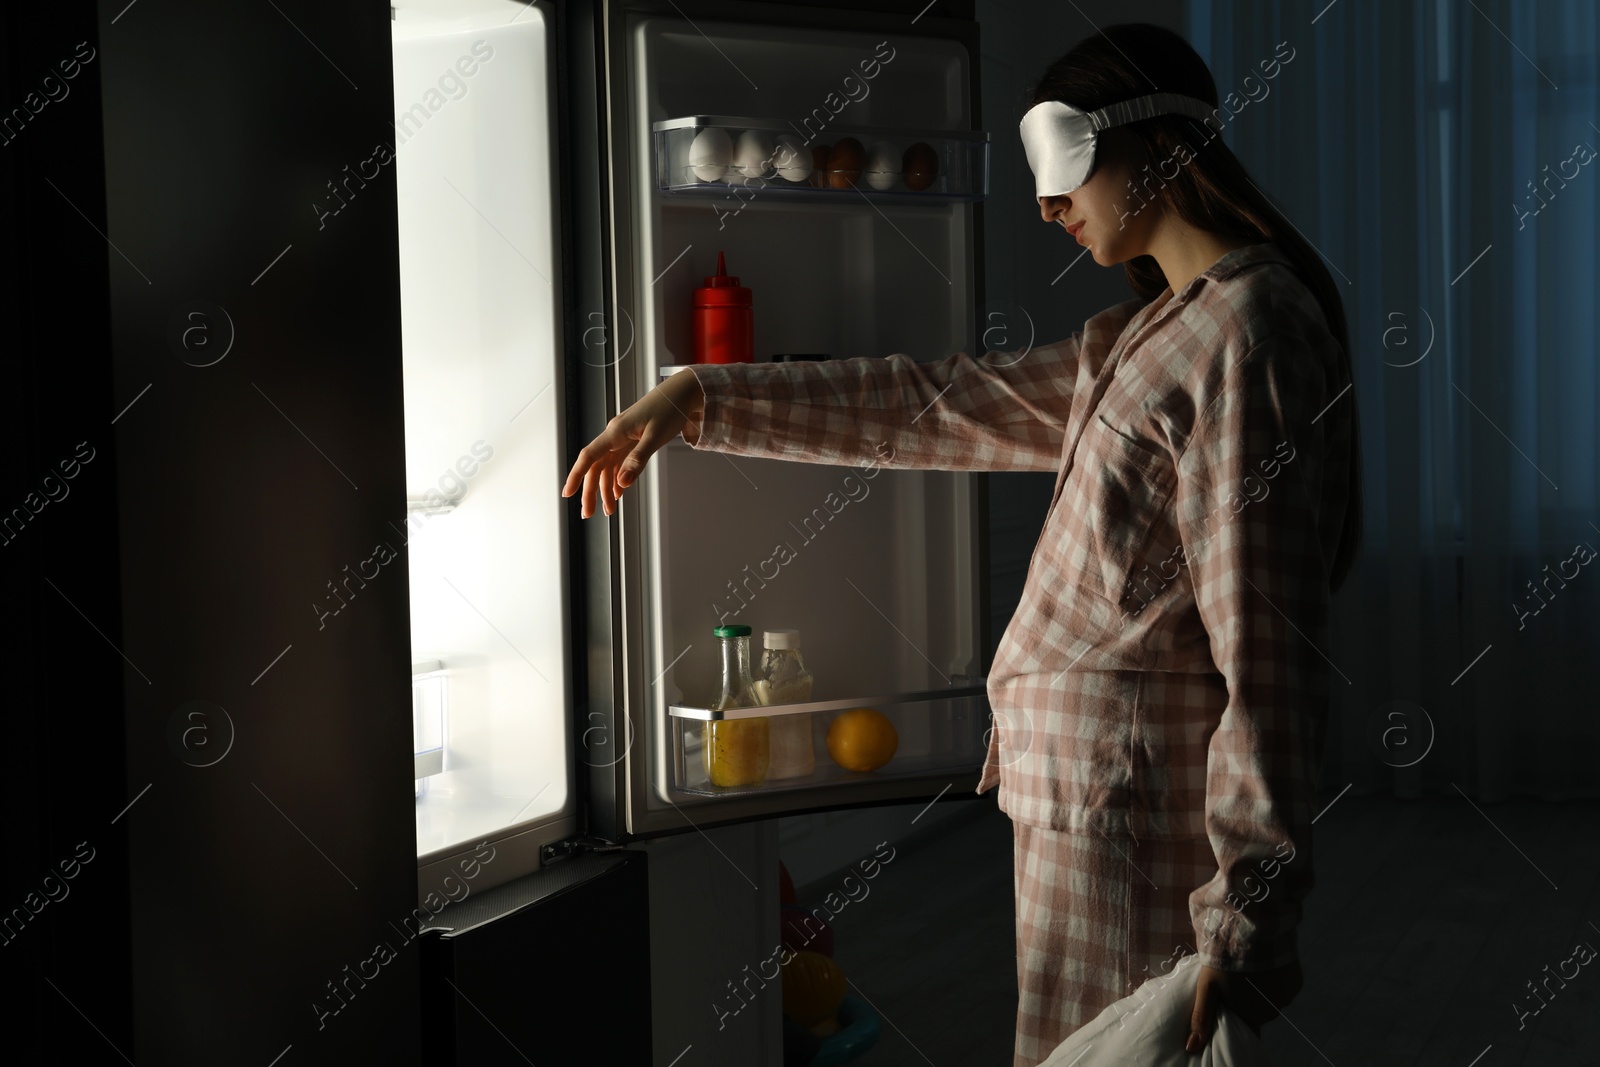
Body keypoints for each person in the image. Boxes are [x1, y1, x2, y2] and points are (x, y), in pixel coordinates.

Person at [562, 22, 1361, 1067]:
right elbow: (932, 402)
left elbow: (1269, 655)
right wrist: (699, 396)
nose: (1044, 205)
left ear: (1155, 143)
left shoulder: (1248, 332)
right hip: (1084, 810)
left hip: (1139, 818)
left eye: (1062, 164)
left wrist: (1244, 913)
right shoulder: (1141, 335)